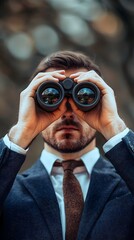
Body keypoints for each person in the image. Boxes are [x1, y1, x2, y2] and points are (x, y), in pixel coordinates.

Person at [0, 50, 134, 240]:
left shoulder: (128, 184)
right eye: (51, 98)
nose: (67, 112)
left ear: (102, 102)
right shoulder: (8, 189)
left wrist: (114, 126)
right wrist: (21, 132)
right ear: (32, 102)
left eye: (85, 97)